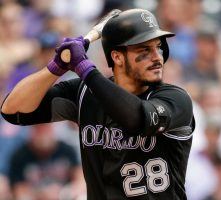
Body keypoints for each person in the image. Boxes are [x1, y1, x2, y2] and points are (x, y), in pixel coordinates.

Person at [1, 8, 195, 200]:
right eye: (145, 50)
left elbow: (136, 119)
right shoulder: (85, 92)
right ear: (117, 57)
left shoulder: (175, 99)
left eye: (158, 47)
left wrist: (85, 69)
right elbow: (12, 110)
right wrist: (56, 67)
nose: (157, 57)